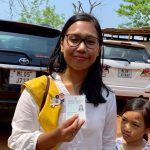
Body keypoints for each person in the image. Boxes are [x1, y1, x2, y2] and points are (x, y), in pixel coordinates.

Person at [8, 13, 116, 150]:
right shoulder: (37, 89)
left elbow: (108, 145)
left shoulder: (107, 96)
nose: (82, 48)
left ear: (99, 48)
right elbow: (17, 141)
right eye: (74, 39)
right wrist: (56, 136)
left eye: (90, 41)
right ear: (62, 44)